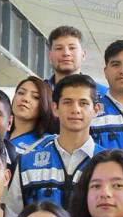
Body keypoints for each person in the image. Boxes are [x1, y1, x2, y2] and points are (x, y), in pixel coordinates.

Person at [9, 74, 102, 209]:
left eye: (83, 103)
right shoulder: (27, 163)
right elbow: (13, 215)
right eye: (67, 102)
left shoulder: (107, 163)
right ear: (55, 108)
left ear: (96, 110)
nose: (75, 109)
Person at [45, 25, 109, 97]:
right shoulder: (39, 92)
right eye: (59, 48)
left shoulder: (103, 95)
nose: (66, 53)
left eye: (72, 48)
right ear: (50, 56)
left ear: (83, 55)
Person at [9, 75, 56, 154]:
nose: (25, 99)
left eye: (35, 97)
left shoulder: (48, 143)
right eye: (21, 93)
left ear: (45, 105)